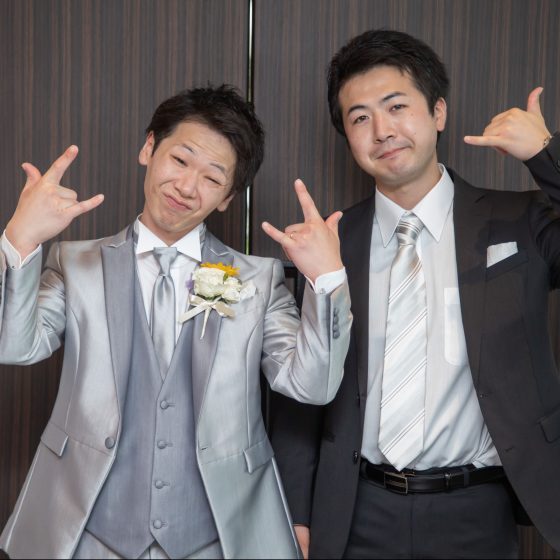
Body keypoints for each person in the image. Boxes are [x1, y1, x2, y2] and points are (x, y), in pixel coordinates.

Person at [0, 84, 352, 559]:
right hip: (86, 532)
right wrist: (20, 241)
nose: (187, 187)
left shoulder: (257, 279)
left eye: (212, 177)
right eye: (180, 160)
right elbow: (14, 345)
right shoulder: (75, 263)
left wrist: (328, 281)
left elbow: (313, 386)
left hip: (216, 537)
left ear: (228, 196)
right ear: (149, 148)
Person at [270, 29, 560, 559]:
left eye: (397, 106)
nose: (382, 130)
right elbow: (303, 390)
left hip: (478, 507)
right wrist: (296, 513)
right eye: (360, 118)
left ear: (438, 112)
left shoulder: (518, 219)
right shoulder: (331, 240)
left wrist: (547, 155)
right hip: (355, 510)